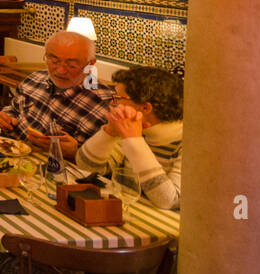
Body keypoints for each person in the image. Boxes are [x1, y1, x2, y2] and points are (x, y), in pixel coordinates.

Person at [0, 31, 116, 157]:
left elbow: (106, 165)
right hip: (10, 154)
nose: (60, 71)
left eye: (72, 65)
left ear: (91, 64)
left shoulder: (106, 106)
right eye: (54, 61)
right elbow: (14, 109)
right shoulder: (35, 79)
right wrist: (4, 117)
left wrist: (75, 153)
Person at [76, 66, 183, 210]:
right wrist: (109, 132)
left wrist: (134, 140)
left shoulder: (188, 143)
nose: (112, 103)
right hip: (125, 211)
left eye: (118, 98)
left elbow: (170, 201)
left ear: (145, 108)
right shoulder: (133, 127)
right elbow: (87, 167)